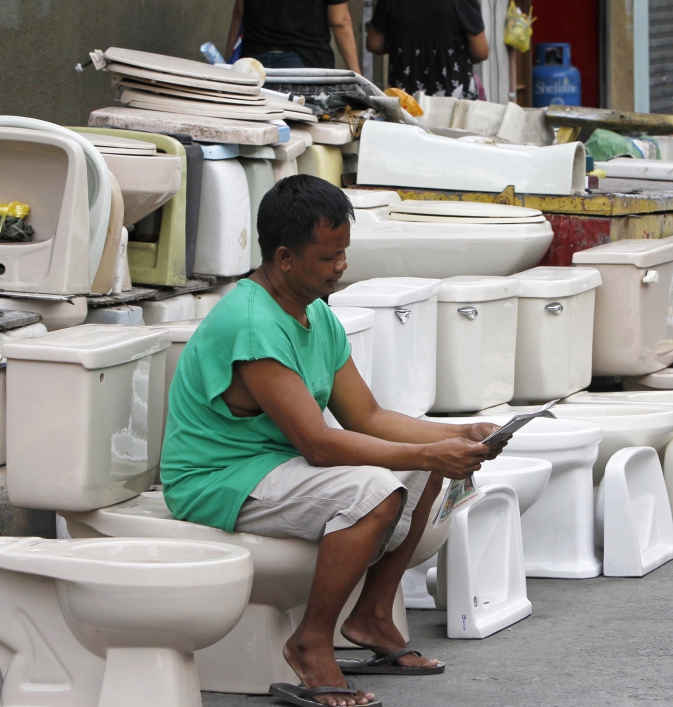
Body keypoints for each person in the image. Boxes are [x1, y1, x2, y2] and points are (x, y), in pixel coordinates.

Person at [160, 175, 501, 707]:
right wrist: (428, 449)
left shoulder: (314, 309)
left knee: (421, 470)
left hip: (277, 464)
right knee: (374, 491)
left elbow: (365, 415)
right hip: (218, 479)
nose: (341, 266)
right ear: (284, 257)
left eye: (344, 252)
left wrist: (458, 435)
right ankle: (312, 641)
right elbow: (319, 445)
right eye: (328, 257)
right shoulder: (252, 325)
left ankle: (371, 617)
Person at [366, 0, 489, 99]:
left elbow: (374, 44)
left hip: (407, 103)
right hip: (453, 102)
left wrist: (401, 47)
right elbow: (480, 51)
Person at [225, 0, 361, 73]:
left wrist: (227, 64)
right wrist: (358, 78)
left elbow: (239, 14)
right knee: (304, 124)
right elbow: (339, 22)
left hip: (254, 62)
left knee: (257, 123)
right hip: (306, 61)